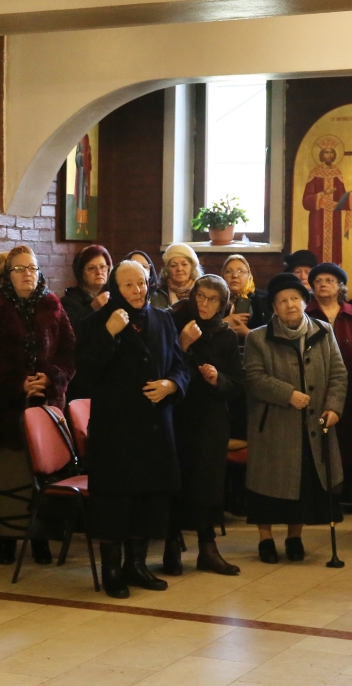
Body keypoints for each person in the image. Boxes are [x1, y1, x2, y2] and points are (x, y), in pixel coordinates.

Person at [76, 260, 189, 599]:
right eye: (128, 285)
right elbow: (85, 373)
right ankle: (112, 569)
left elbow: (180, 365)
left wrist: (172, 385)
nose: (138, 290)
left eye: (141, 283)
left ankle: (136, 565)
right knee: (115, 502)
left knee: (148, 499)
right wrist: (108, 334)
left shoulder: (163, 319)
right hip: (116, 429)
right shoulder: (95, 322)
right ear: (115, 288)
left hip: (155, 426)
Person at [0, 246, 75, 566]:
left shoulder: (52, 305)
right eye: (19, 269)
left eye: (32, 268)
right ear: (8, 274)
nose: (27, 274)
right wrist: (18, 383)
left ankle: (41, 537)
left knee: (44, 475)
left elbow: (69, 352)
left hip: (46, 404)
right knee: (9, 473)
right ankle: (6, 538)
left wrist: (50, 377)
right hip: (7, 405)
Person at [244, 273, 347, 564]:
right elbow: (253, 378)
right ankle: (265, 539)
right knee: (268, 488)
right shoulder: (257, 337)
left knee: (303, 485)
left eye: (295, 299)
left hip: (312, 424)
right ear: (274, 307)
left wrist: (333, 407)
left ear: (304, 301)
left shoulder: (323, 331)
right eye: (282, 301)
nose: (290, 305)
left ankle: (294, 537)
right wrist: (287, 393)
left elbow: (338, 374)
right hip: (273, 426)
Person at [167, 275, 244, 576]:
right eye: (200, 296)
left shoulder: (226, 336)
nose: (205, 304)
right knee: (175, 481)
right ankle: (171, 545)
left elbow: (237, 383)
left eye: (212, 299)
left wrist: (217, 379)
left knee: (207, 485)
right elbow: (160, 365)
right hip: (176, 414)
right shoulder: (174, 322)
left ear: (222, 304)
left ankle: (207, 549)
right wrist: (183, 344)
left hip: (210, 418)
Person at [305, 263, 352, 512]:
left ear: (340, 286)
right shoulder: (306, 315)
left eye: (329, 280)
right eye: (318, 280)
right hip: (316, 388)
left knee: (351, 439)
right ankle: (323, 495)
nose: (323, 284)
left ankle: (350, 492)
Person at [221, 255, 272, 442]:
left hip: (255, 366)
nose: (234, 275)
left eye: (240, 271)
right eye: (229, 271)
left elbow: (273, 338)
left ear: (249, 275)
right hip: (224, 368)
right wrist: (223, 323)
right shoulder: (216, 300)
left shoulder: (263, 300)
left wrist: (247, 333)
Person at [61, 244, 112, 400]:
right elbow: (71, 334)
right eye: (91, 268)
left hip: (110, 371)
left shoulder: (115, 297)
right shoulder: (69, 302)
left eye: (103, 267)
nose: (99, 272)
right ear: (81, 272)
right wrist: (92, 308)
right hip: (83, 372)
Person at [159, 243, 203, 310]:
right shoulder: (159, 293)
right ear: (167, 270)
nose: (179, 269)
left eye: (184, 264)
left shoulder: (202, 291)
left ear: (192, 268)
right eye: (173, 265)